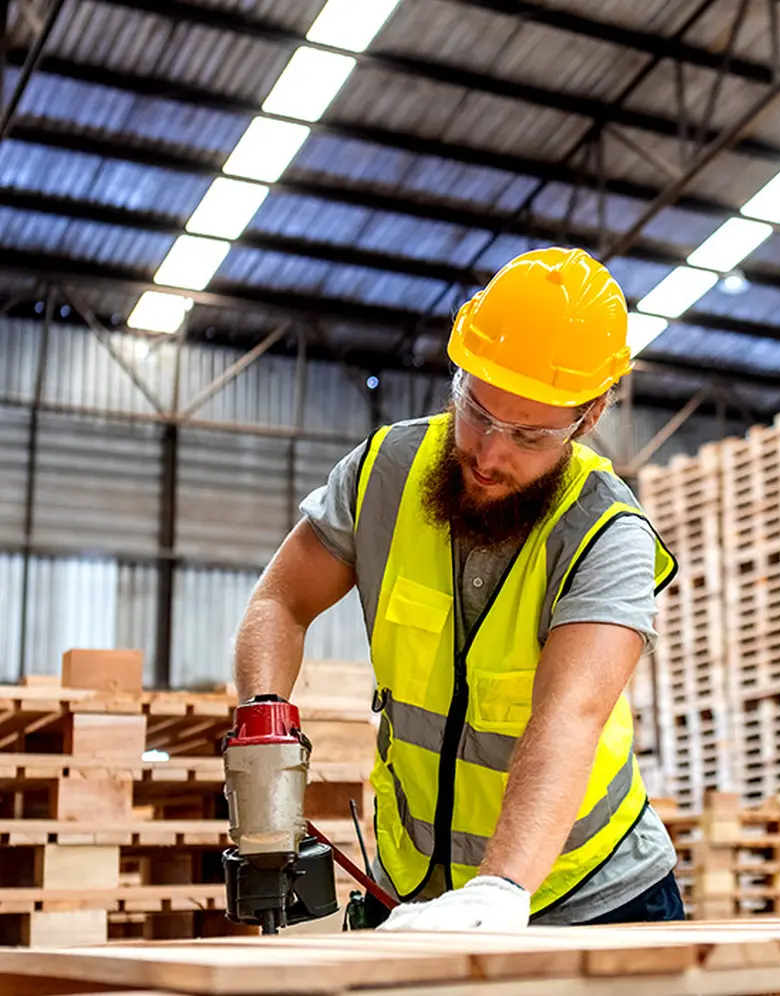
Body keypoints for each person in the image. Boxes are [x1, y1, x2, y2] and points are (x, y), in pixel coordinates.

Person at [232, 247, 683, 930]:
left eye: (529, 435)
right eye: (478, 411)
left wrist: (500, 889)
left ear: (587, 418)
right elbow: (280, 602)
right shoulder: (382, 475)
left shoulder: (606, 533)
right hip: (415, 889)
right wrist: (264, 718)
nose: (489, 452)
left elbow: (572, 714)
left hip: (587, 893)